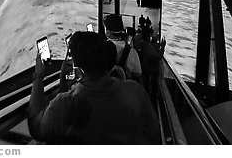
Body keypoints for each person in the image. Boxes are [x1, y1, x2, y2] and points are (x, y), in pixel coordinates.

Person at [28, 31, 160, 144]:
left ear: (77, 66)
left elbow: (36, 128)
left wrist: (38, 77)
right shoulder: (135, 91)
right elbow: (153, 133)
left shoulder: (63, 105)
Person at [104, 14, 142, 81]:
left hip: (103, 89)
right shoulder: (131, 51)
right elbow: (138, 73)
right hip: (123, 88)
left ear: (108, 32)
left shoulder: (100, 48)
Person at [138, 29, 166, 101]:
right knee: (151, 84)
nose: (156, 34)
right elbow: (159, 56)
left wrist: (160, 44)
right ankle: (150, 100)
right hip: (151, 69)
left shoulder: (144, 43)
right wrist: (162, 47)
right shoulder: (146, 45)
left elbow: (153, 46)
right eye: (154, 33)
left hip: (147, 67)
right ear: (149, 36)